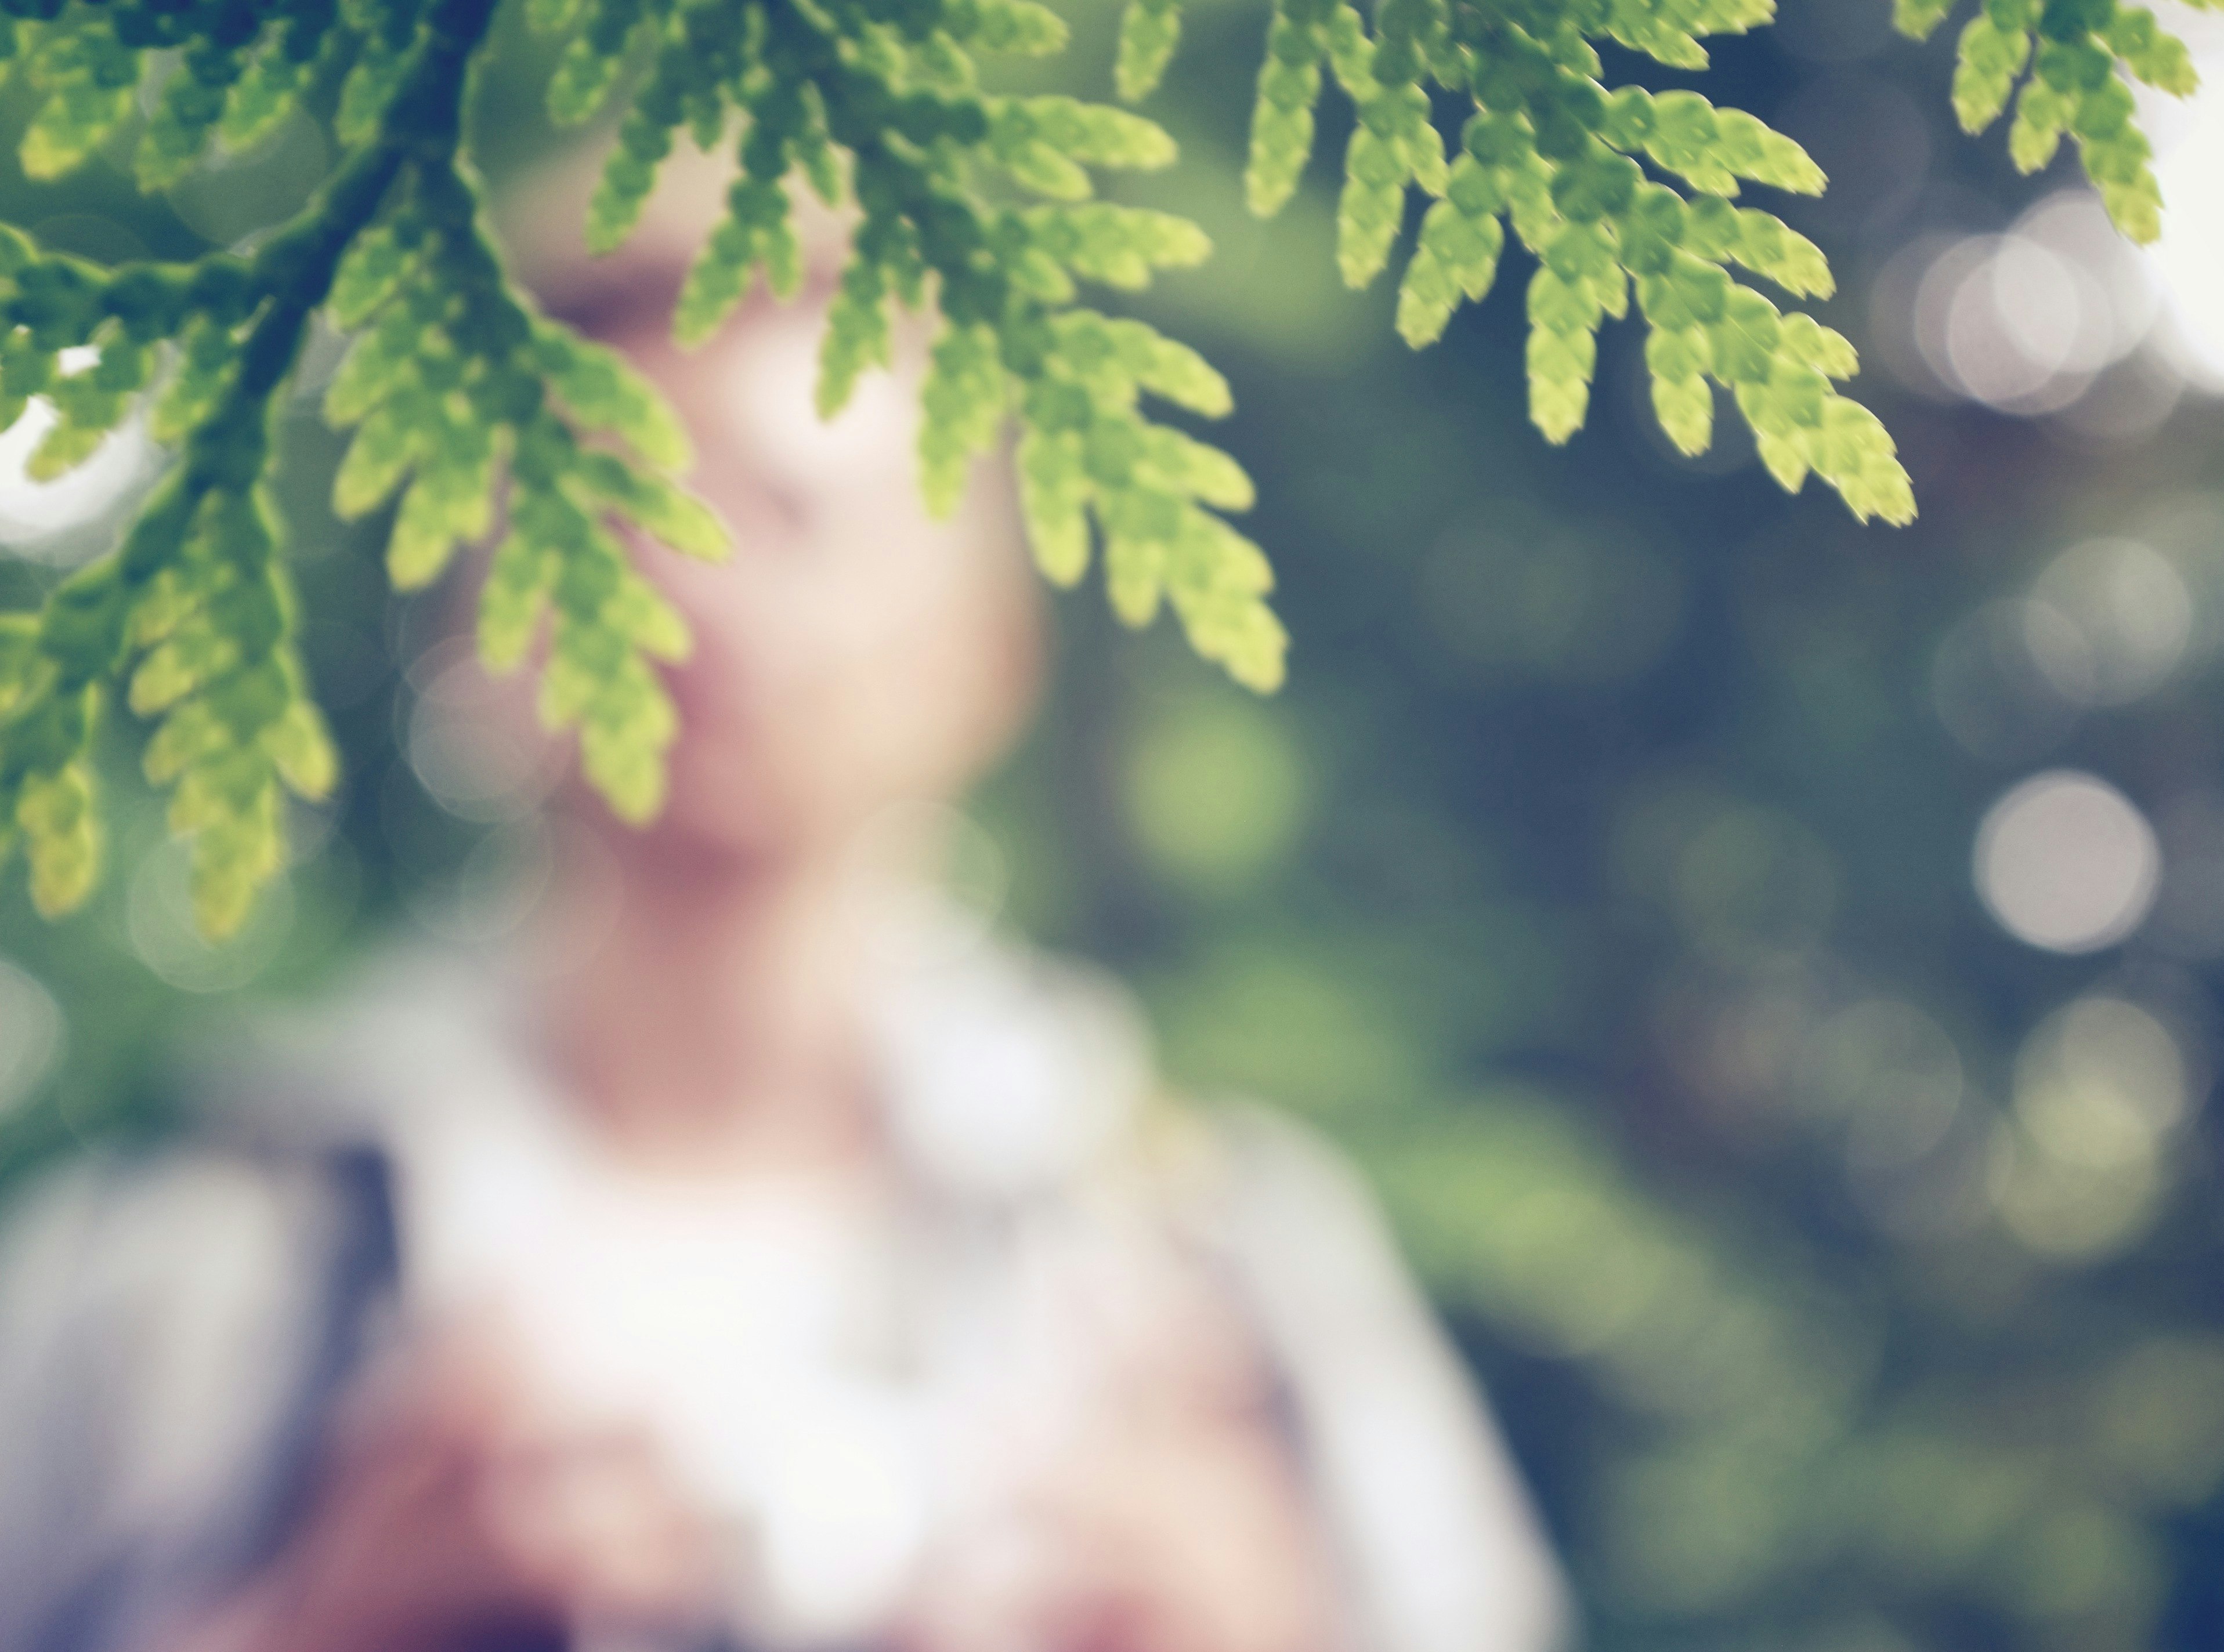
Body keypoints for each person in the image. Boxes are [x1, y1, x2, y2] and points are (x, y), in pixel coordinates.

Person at [0, 146, 1568, 1652]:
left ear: (989, 648)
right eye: (613, 503)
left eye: (797, 511)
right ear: (482, 615)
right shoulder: (194, 1272)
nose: (696, 580)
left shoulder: (1219, 1273)